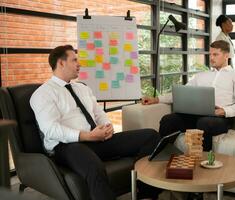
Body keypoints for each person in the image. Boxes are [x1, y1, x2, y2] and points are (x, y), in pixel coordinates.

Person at [30, 45, 161, 200]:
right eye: (74, 60)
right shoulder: (43, 94)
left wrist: (107, 126)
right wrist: (86, 136)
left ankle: (145, 194)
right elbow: (51, 129)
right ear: (61, 63)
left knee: (150, 136)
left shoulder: (82, 88)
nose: (79, 64)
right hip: (67, 146)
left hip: (96, 140)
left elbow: (98, 113)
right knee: (93, 166)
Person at [142, 40, 235, 152]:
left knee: (204, 123)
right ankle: (162, 154)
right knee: (168, 119)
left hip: (219, 119)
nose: (211, 58)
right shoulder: (201, 76)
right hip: (196, 116)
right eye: (210, 54)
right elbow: (182, 93)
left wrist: (222, 111)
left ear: (226, 55)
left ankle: (203, 161)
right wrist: (156, 99)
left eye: (215, 54)